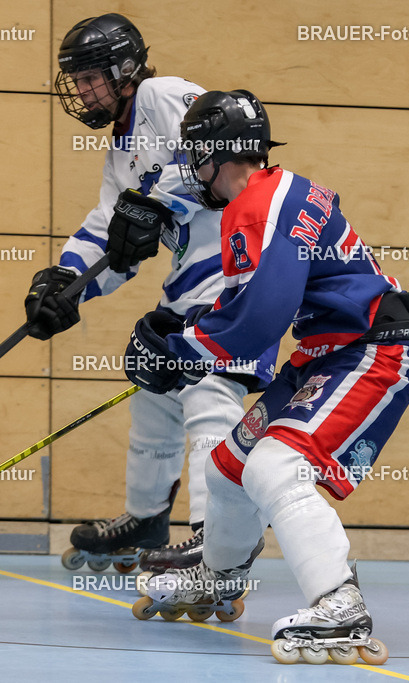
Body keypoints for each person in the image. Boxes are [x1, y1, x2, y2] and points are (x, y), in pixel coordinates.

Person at [126, 90, 409, 664]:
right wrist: (185, 333)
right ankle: (220, 574)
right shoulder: (272, 196)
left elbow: (261, 318)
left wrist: (179, 349)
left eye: (196, 152)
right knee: (230, 467)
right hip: (324, 353)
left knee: (273, 464)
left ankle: (339, 602)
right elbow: (252, 307)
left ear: (215, 152)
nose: (192, 165)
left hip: (367, 353)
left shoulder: (259, 207)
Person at [24, 15, 273, 573]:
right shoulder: (122, 145)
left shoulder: (164, 97)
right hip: (189, 284)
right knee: (155, 397)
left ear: (125, 69)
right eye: (78, 80)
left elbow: (221, 147)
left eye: (91, 77)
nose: (83, 90)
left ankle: (215, 536)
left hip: (233, 275)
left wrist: (158, 201)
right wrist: (65, 283)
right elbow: (112, 233)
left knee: (208, 398)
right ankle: (147, 518)